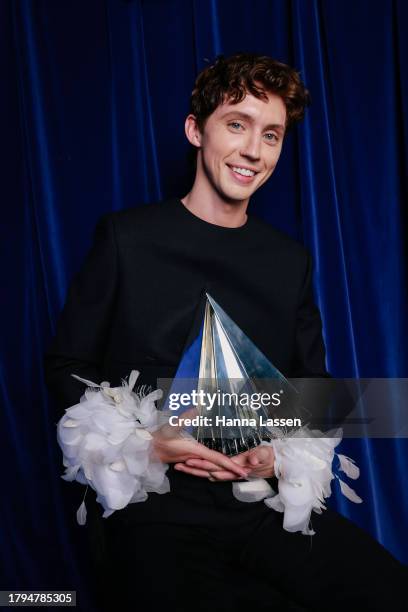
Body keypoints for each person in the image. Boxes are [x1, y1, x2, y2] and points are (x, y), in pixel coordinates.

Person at [45, 53, 407, 612]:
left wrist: (277, 452)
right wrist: (145, 445)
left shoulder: (289, 261)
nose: (253, 151)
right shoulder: (126, 238)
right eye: (236, 124)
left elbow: (314, 388)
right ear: (196, 129)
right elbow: (67, 363)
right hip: (155, 508)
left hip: (258, 501)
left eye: (272, 134)